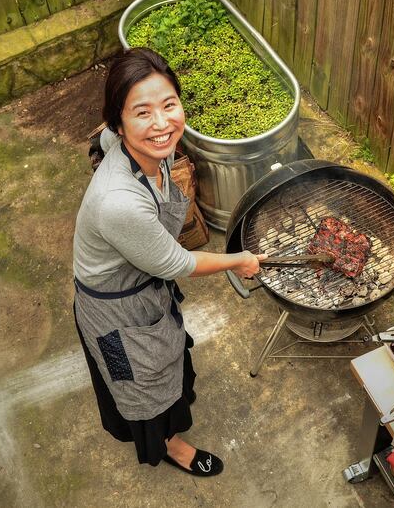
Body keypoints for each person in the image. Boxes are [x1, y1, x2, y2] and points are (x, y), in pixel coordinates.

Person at [73, 47, 264, 477]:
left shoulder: (137, 150)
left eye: (169, 104)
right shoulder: (118, 202)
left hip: (145, 291)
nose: (162, 124)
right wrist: (238, 260)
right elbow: (178, 262)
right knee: (139, 386)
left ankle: (173, 409)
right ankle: (171, 446)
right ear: (118, 122)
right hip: (113, 314)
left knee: (168, 357)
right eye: (142, 112)